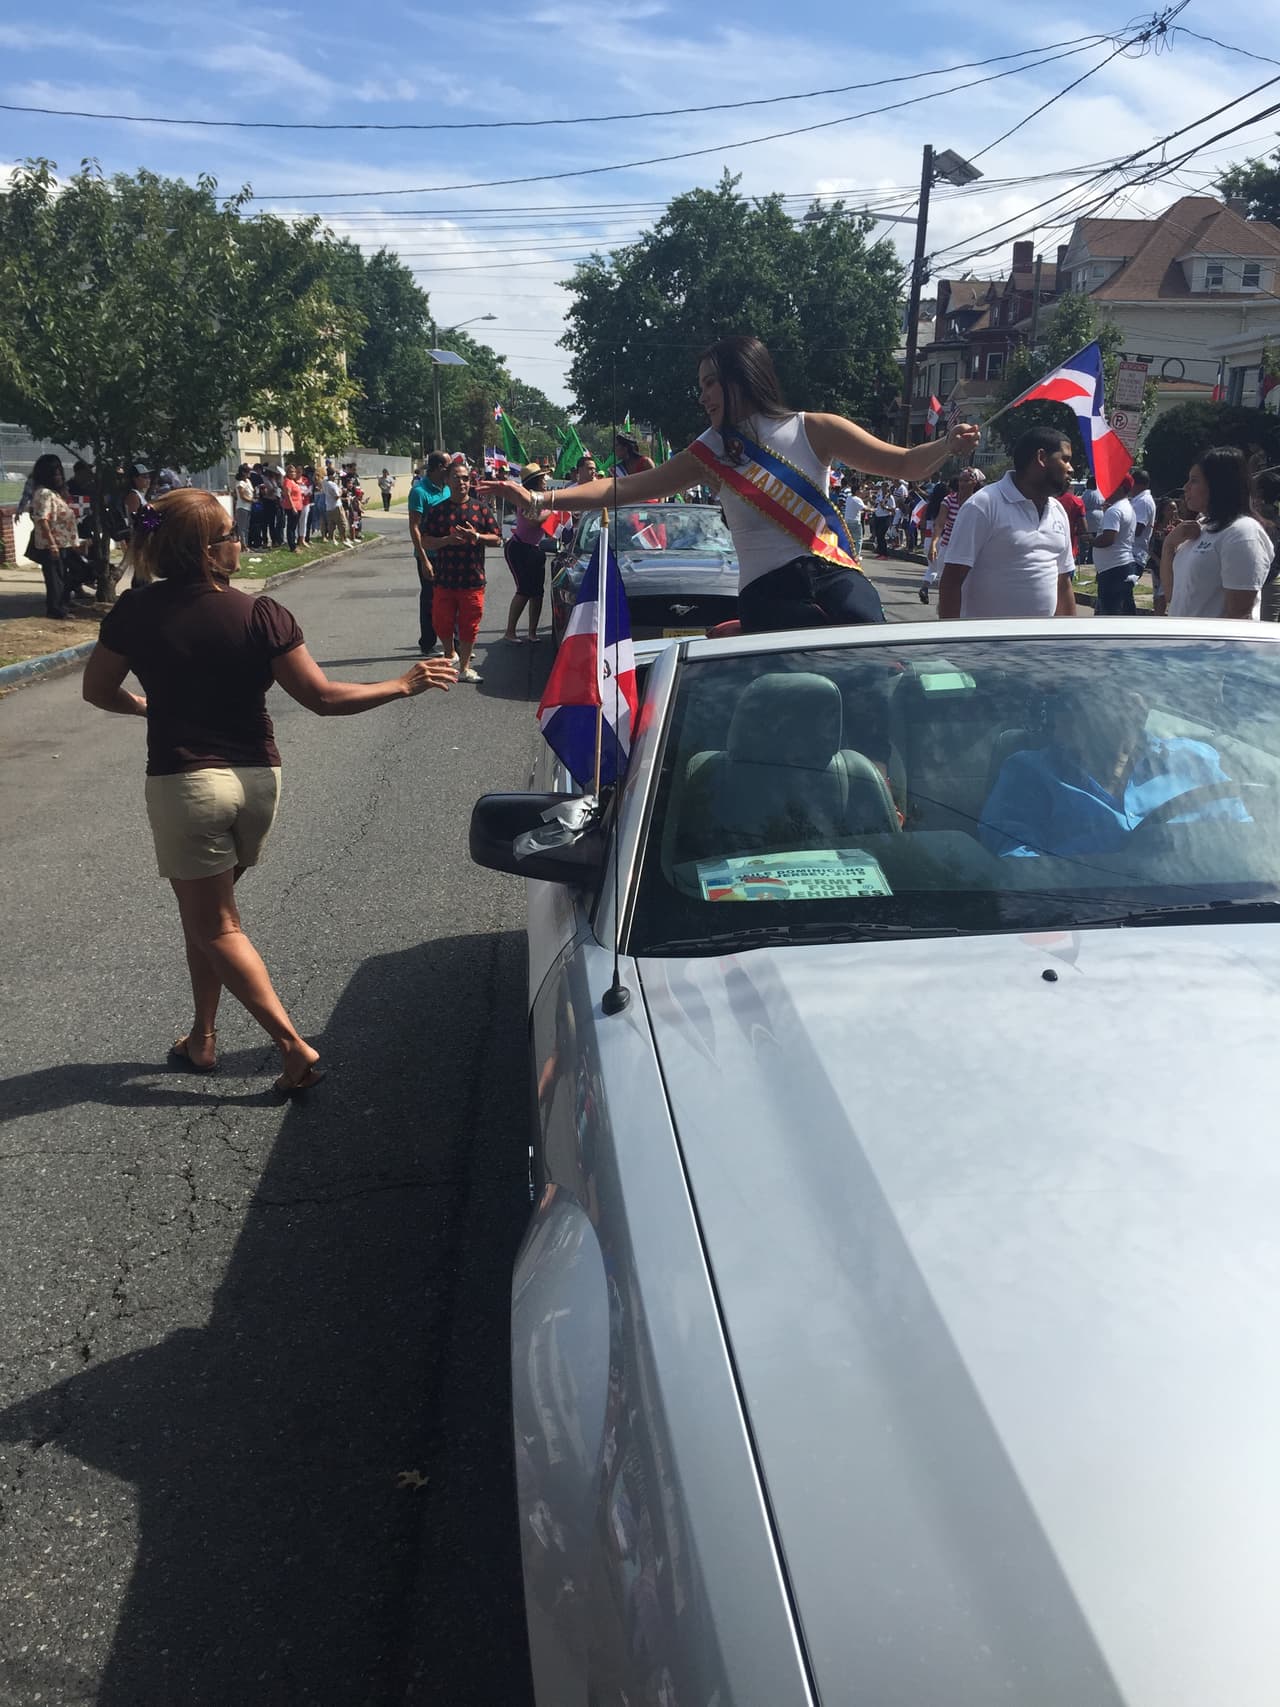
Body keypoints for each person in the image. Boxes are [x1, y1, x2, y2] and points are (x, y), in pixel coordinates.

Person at [80, 488, 455, 1091]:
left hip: (187, 786)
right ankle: (202, 1037)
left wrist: (146, 705)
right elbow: (322, 698)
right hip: (257, 783)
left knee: (216, 924)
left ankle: (292, 1047)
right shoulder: (261, 613)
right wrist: (401, 685)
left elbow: (97, 691)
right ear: (205, 550)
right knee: (203, 918)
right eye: (229, 534)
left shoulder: (135, 614)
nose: (239, 541)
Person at [483, 335, 979, 635]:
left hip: (833, 574)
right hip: (767, 590)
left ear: (742, 378)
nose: (703, 398)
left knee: (873, 643)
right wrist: (539, 499)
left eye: (710, 385)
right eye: (701, 388)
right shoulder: (709, 450)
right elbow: (623, 491)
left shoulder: (816, 428)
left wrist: (946, 447)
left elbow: (906, 465)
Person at [979, 687, 1249, 858]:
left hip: (1210, 906)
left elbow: (1244, 839)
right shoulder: (1029, 772)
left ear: (1138, 708)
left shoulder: (1193, 759)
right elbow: (1014, 863)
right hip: (1077, 917)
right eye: (1060, 704)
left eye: (1078, 701)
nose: (1060, 716)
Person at [938, 428, 1076, 621]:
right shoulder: (983, 504)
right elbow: (952, 581)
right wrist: (953, 642)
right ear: (1041, 458)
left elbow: (1063, 583)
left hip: (1040, 647)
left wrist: (1068, 640)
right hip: (986, 646)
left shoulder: (1058, 511)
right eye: (1065, 459)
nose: (1071, 468)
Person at [1164, 446, 1274, 620]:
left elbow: (1239, 614)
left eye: (1194, 480)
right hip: (1183, 643)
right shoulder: (1201, 526)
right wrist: (1169, 545)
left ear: (1217, 485)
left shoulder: (1242, 533)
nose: (1186, 487)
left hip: (1211, 646)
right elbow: (1173, 596)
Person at [420, 460, 501, 682]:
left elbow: (497, 539)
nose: (462, 482)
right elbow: (425, 540)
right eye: (457, 477)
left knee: (469, 625)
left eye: (465, 478)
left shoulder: (480, 509)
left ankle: (464, 668)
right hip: (445, 578)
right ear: (447, 481)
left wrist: (476, 537)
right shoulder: (438, 511)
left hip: (472, 579)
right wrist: (447, 540)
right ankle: (449, 654)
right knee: (441, 622)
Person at [502, 462, 557, 642]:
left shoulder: (541, 498)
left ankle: (532, 633)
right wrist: (552, 511)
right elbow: (534, 521)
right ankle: (510, 632)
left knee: (537, 593)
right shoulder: (525, 499)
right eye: (542, 478)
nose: (545, 481)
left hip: (535, 548)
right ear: (534, 482)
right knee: (524, 590)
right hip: (519, 548)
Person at [408, 452, 453, 657]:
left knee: (452, 599)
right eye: (448, 466)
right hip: (429, 554)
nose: (451, 470)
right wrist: (424, 558)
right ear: (437, 467)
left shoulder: (447, 489)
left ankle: (453, 644)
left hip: (449, 553)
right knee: (430, 599)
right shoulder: (419, 492)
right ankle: (427, 643)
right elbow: (414, 527)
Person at [26, 454, 82, 620]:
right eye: (53, 472)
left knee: (67, 575)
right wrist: (52, 544)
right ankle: (56, 609)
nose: (58, 475)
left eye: (59, 471)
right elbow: (42, 519)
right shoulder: (44, 493)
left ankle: (62, 604)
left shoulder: (55, 494)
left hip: (64, 542)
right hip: (53, 544)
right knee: (55, 578)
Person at [920, 470, 985, 604]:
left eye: (967, 480)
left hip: (970, 550)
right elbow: (939, 524)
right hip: (948, 547)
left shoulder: (980, 501)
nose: (962, 483)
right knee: (947, 584)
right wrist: (933, 544)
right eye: (961, 480)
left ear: (975, 483)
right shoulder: (949, 500)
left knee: (968, 587)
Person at [1092, 474, 1138, 616]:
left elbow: (1108, 539)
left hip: (1113, 570)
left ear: (1119, 489)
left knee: (1110, 615)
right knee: (1124, 612)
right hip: (1121, 566)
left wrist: (1090, 541)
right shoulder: (1126, 507)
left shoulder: (1115, 511)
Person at [1146, 494, 1180, 616]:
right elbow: (1149, 546)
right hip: (1158, 565)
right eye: (1170, 509)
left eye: (1175, 508)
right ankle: (1158, 615)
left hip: (1173, 565)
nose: (1173, 511)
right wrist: (1157, 560)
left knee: (1165, 593)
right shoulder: (1155, 527)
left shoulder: (1180, 526)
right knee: (1158, 594)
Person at [1129, 467, 1155, 582]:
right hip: (1132, 553)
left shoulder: (1143, 502)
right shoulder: (1139, 500)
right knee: (1125, 595)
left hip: (1135, 554)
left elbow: (1138, 529)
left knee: (1122, 592)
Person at [321, 469, 351, 546]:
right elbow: (337, 496)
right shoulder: (332, 484)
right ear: (331, 476)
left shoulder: (324, 482)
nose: (335, 477)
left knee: (331, 524)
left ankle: (332, 539)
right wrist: (341, 491)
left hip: (328, 506)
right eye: (334, 475)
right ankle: (343, 538)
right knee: (342, 523)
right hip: (336, 506)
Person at [281, 465, 304, 552]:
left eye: (294, 471)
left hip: (298, 506)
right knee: (291, 527)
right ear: (287, 473)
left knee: (294, 527)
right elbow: (288, 495)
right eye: (291, 472)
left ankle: (294, 544)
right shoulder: (287, 482)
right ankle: (292, 546)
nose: (293, 473)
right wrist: (293, 507)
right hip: (291, 507)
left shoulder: (293, 481)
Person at [842, 478, 866, 559]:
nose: (862, 491)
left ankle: (847, 554)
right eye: (860, 490)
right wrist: (873, 509)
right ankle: (856, 556)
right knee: (858, 539)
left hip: (847, 520)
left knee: (849, 539)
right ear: (856, 491)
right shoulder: (857, 499)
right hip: (855, 522)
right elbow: (864, 508)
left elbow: (856, 509)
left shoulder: (849, 497)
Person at [233, 464, 254, 548]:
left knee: (247, 527)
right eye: (248, 472)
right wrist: (251, 500)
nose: (249, 473)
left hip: (249, 507)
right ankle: (243, 545)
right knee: (242, 527)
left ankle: (246, 544)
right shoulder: (240, 483)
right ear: (243, 472)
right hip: (242, 507)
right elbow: (242, 496)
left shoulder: (248, 481)